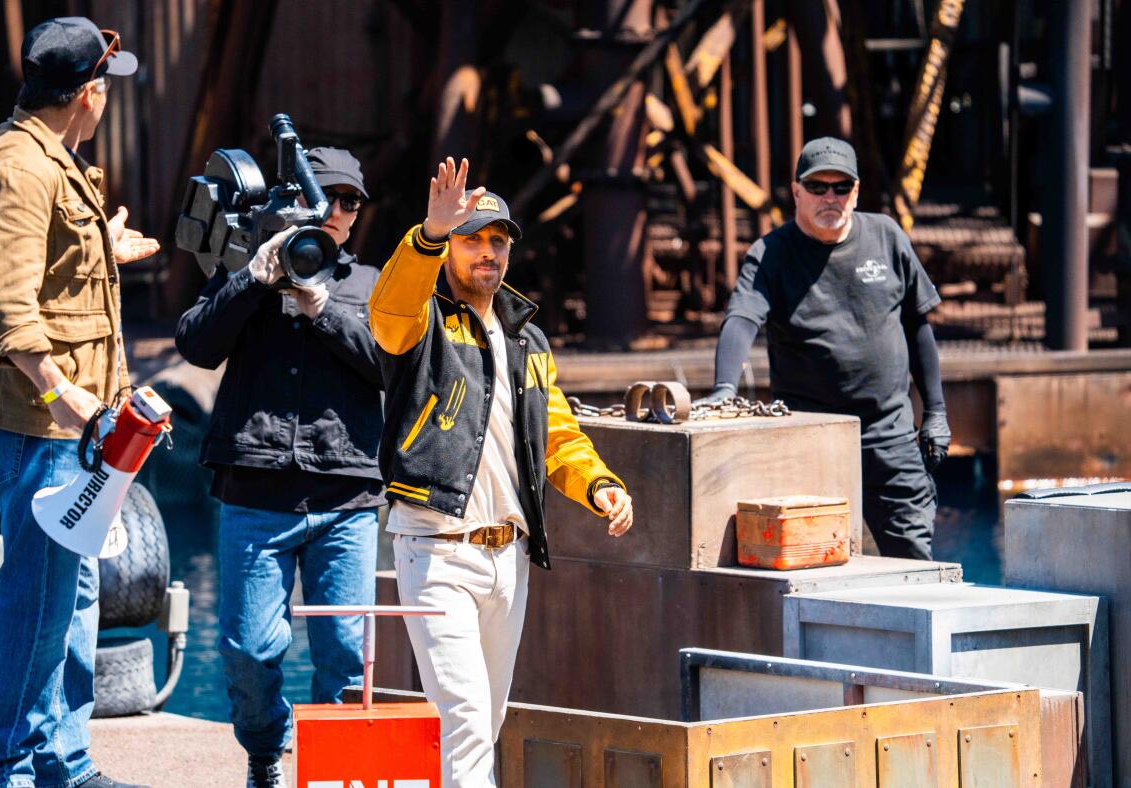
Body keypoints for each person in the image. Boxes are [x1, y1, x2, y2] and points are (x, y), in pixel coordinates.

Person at [0, 17, 158, 788]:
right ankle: (5, 770)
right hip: (38, 424)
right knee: (36, 603)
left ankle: (63, 761)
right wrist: (64, 399)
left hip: (70, 425)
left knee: (76, 591)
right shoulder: (20, 169)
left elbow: (43, 267)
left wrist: (105, 250)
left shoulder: (44, 154)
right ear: (88, 95)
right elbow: (5, 306)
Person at [369, 157, 633, 786]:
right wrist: (428, 235)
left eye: (497, 240)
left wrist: (599, 485)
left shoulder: (526, 339)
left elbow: (557, 434)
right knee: (462, 718)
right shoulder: (422, 317)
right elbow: (387, 313)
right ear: (450, 248)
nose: (487, 252)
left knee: (485, 724)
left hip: (508, 559)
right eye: (472, 239)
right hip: (436, 552)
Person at [175, 147, 383, 787]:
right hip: (255, 487)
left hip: (346, 493)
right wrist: (253, 281)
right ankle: (266, 749)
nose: (339, 212)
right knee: (247, 650)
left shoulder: (370, 283)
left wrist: (326, 312)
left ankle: (333, 772)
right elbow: (195, 344)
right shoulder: (250, 268)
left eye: (350, 201)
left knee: (347, 654)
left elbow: (392, 365)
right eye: (329, 197)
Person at [698, 137, 950, 560]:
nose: (829, 198)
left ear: (856, 192)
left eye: (840, 187)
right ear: (797, 192)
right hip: (808, 440)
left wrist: (937, 412)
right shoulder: (771, 253)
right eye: (817, 187)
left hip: (889, 437)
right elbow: (742, 319)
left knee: (913, 561)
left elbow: (917, 326)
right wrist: (725, 388)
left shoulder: (887, 237)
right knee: (811, 562)